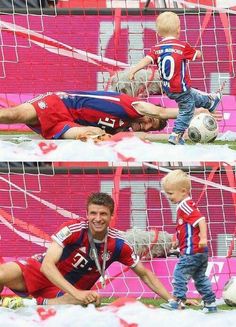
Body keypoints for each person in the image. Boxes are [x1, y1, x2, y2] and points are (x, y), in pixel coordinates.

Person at [0, 192, 181, 310]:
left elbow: (145, 274)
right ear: (87, 214)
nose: (97, 218)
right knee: (2, 273)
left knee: (93, 300)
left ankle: (31, 304)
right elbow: (47, 265)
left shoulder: (119, 244)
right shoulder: (73, 229)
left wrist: (171, 299)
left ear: (111, 216)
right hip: (40, 272)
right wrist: (76, 292)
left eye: (103, 214)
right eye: (93, 213)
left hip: (67, 294)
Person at [128, 11, 222, 145]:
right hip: (180, 88)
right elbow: (197, 55)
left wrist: (134, 70)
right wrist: (198, 53)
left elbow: (146, 60)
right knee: (187, 109)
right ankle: (176, 135)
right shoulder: (182, 46)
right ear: (179, 30)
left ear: (159, 33)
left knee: (190, 95)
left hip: (168, 89)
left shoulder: (156, 48)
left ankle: (210, 101)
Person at [0, 90, 218, 141]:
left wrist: (183, 135)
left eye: (148, 127)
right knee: (13, 115)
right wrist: (192, 113)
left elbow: (142, 138)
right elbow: (161, 112)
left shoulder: (121, 129)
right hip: (61, 103)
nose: (144, 125)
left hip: (65, 123)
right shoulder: (132, 105)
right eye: (149, 121)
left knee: (93, 136)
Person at [160, 170, 217, 313]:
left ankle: (178, 301)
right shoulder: (185, 205)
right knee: (200, 278)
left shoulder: (185, 205)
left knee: (179, 274)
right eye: (167, 193)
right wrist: (177, 241)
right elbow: (187, 228)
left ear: (183, 191)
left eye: (171, 193)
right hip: (200, 251)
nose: (168, 196)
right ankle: (210, 303)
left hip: (192, 251)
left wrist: (204, 238)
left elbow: (201, 220)